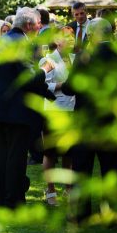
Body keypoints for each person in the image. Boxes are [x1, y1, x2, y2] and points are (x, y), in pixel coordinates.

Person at [61, 17, 117, 221]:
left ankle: (80, 212)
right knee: (112, 168)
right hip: (112, 119)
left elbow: (69, 88)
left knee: (82, 167)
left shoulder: (85, 56)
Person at [0, 8, 55, 209]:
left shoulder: (3, 40)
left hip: (2, 109)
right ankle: (14, 202)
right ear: (28, 25)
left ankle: (4, 200)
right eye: (38, 23)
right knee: (16, 159)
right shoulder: (20, 44)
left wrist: (48, 93)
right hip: (17, 111)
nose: (40, 26)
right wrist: (45, 69)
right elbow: (28, 78)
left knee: (6, 156)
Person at [39, 26, 76, 206]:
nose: (71, 40)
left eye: (72, 37)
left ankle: (68, 188)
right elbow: (43, 86)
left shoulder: (77, 58)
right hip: (54, 110)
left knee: (69, 152)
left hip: (73, 110)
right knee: (51, 152)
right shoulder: (48, 59)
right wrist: (65, 85)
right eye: (67, 37)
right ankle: (50, 189)